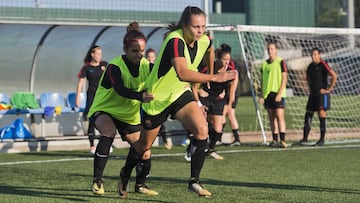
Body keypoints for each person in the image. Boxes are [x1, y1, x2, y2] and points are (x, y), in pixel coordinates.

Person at [118, 6, 237, 198]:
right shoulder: (175, 40)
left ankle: (194, 182)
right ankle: (125, 173)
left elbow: (209, 50)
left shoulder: (204, 39)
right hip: (157, 98)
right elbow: (182, 73)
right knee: (143, 146)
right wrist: (214, 78)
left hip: (180, 93)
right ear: (184, 25)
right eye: (196, 26)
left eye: (203, 26)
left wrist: (204, 78)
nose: (200, 30)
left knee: (202, 130)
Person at [88, 22, 158, 196]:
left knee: (145, 151)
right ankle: (97, 181)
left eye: (141, 51)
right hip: (105, 109)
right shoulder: (115, 66)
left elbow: (163, 76)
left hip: (129, 115)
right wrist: (141, 96)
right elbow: (119, 89)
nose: (139, 54)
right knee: (108, 133)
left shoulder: (147, 66)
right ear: (125, 50)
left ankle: (140, 185)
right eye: (135, 51)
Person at [196, 45, 238, 160]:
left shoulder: (231, 72)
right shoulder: (209, 67)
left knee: (218, 128)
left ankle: (211, 149)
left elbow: (232, 90)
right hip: (206, 98)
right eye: (224, 59)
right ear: (218, 58)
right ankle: (198, 148)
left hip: (219, 100)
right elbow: (195, 83)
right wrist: (200, 91)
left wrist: (229, 105)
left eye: (228, 60)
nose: (226, 62)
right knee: (202, 125)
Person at [299, 47, 337, 146]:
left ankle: (322, 139)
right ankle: (304, 138)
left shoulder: (323, 64)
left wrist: (329, 89)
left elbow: (334, 76)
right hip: (313, 95)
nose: (313, 57)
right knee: (308, 115)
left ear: (319, 55)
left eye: (315, 54)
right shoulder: (310, 66)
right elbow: (307, 77)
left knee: (321, 116)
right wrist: (310, 88)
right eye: (312, 55)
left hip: (321, 95)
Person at [75, 45, 107, 155]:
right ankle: (92, 145)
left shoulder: (104, 65)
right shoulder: (86, 68)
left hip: (104, 97)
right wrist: (77, 97)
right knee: (92, 121)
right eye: (97, 54)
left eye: (100, 54)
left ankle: (106, 143)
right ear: (92, 54)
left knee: (107, 120)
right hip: (92, 97)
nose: (99, 56)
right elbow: (80, 82)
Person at [259, 41, 288, 148]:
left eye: (272, 49)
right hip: (268, 95)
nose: (270, 51)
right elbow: (262, 81)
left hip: (278, 93)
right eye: (268, 49)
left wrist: (280, 93)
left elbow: (284, 79)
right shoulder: (264, 64)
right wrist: (262, 95)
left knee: (280, 116)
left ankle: (283, 140)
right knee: (271, 118)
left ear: (276, 50)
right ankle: (275, 139)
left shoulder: (281, 62)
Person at [145, 48, 172, 150]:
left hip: (155, 99)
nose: (150, 59)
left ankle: (165, 139)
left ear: (155, 58)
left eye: (152, 57)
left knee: (158, 121)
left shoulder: (157, 68)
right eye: (148, 57)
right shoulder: (144, 67)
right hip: (144, 99)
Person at [218, 44, 241, 147]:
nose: (226, 60)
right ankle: (221, 138)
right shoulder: (220, 64)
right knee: (224, 115)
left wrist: (231, 97)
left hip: (232, 92)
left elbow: (234, 81)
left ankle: (235, 139)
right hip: (226, 91)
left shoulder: (232, 65)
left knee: (229, 114)